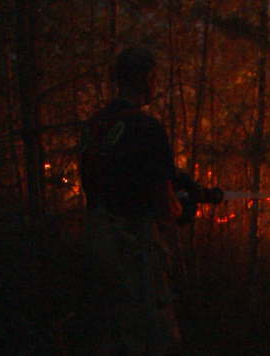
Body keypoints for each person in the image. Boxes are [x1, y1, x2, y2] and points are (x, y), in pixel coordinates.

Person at [80, 47, 183, 356]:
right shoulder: (147, 129)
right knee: (155, 336)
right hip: (134, 252)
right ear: (146, 78)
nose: (156, 84)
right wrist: (181, 209)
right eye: (154, 77)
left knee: (115, 330)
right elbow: (164, 204)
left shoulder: (94, 127)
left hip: (98, 246)